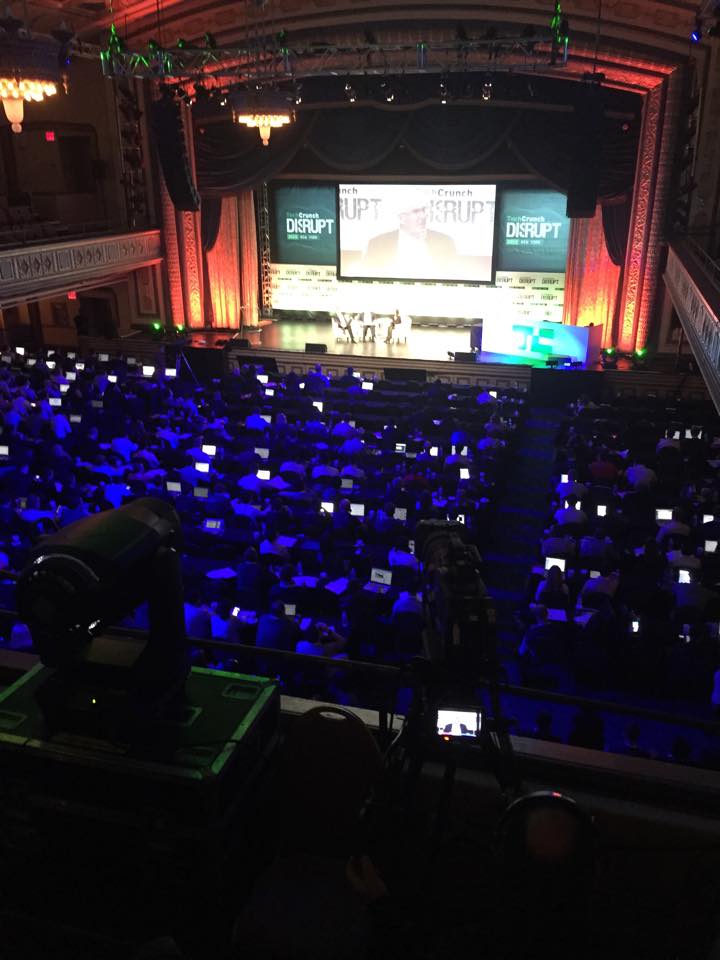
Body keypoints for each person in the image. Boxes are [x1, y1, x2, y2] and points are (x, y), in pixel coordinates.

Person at [362, 191, 457, 280]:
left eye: (424, 210)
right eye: (416, 211)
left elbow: (452, 276)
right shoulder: (377, 244)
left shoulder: (445, 242)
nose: (423, 216)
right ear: (401, 218)